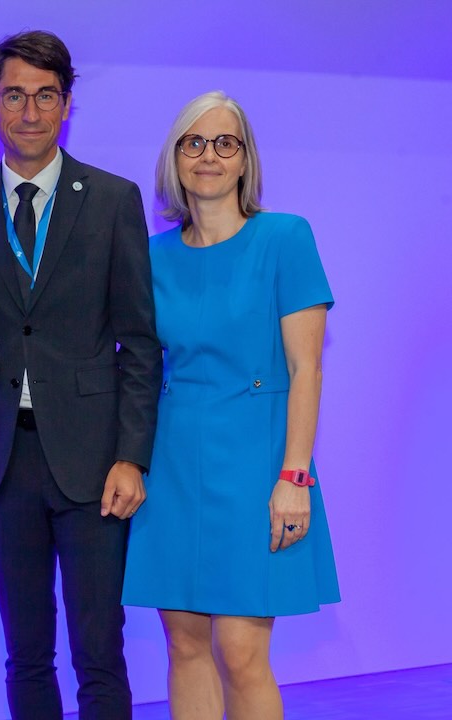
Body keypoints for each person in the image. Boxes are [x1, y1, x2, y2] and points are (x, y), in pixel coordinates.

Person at [0, 31, 162, 719]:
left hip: (95, 461)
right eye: (14, 96)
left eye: (45, 96)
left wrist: (132, 456)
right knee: (26, 652)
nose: (29, 111)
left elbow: (140, 344)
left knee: (100, 648)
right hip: (2, 458)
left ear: (66, 105)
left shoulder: (113, 199)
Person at [122, 90, 341, 719]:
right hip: (173, 467)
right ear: (175, 159)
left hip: (258, 465)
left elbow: (307, 370)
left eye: (225, 143)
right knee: (184, 644)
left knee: (243, 651)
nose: (209, 156)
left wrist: (294, 477)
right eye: (195, 143)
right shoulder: (151, 254)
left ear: (245, 160)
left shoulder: (285, 237)